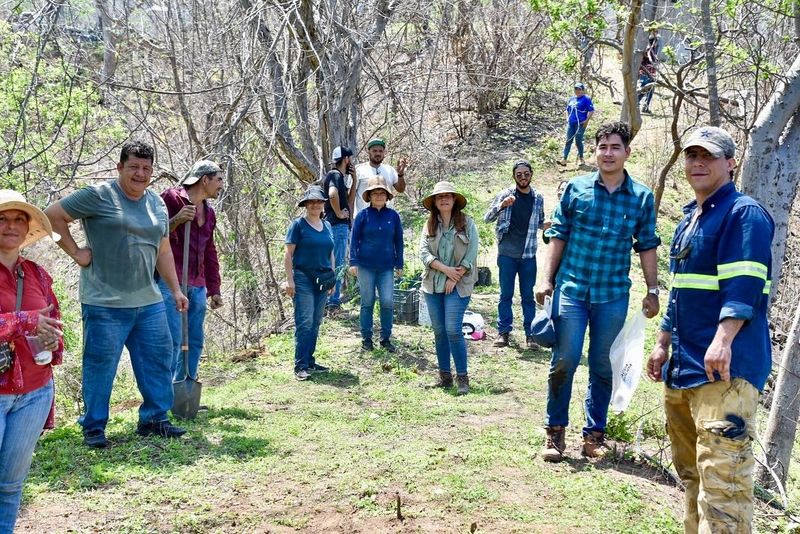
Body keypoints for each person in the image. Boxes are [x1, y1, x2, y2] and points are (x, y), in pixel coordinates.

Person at [646, 126, 774, 532]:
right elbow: (682, 293)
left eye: (709, 156)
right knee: (692, 479)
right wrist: (662, 342)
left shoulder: (743, 214)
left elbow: (745, 285)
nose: (698, 163)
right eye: (691, 155)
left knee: (725, 489)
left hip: (725, 373)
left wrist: (723, 341)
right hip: (682, 368)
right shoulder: (690, 220)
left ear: (730, 163)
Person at [45, 141, 189, 448]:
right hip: (105, 302)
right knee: (100, 366)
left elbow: (162, 249)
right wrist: (77, 253)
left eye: (146, 168)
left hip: (148, 301)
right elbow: (50, 217)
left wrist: (175, 289)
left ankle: (154, 419)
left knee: (158, 360)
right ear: (120, 167)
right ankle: (94, 427)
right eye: (134, 167)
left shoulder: (156, 203)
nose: (140, 173)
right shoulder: (98, 195)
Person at [536, 121, 661, 461]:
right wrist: (545, 279)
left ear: (627, 153)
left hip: (613, 295)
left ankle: (594, 435)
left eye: (615, 147)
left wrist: (653, 289)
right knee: (565, 359)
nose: (608, 153)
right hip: (572, 290)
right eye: (602, 147)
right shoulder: (576, 190)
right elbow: (558, 236)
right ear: (594, 151)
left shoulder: (641, 197)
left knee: (604, 364)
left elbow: (647, 244)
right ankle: (555, 432)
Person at [0, 190, 63, 533]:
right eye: (2, 219)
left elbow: (53, 319)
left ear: (27, 229)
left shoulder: (37, 274)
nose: (11, 226)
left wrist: (53, 343)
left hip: (35, 392)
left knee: (10, 484)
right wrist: (23, 321)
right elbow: (29, 319)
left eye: (18, 220)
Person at [158, 160, 225, 382]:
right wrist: (176, 220)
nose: (222, 185)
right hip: (171, 282)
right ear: (204, 179)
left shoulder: (210, 212)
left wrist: (214, 288)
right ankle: (164, 394)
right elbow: (153, 234)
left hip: (197, 284)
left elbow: (210, 251)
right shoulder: (171, 198)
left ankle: (187, 384)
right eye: (219, 179)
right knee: (173, 339)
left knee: (195, 339)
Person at [419, 181, 479, 395]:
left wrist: (456, 275)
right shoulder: (430, 224)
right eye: (439, 197)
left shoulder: (467, 223)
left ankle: (462, 377)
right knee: (439, 331)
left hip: (459, 284)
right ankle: (445, 376)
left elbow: (472, 253)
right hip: (433, 283)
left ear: (454, 200)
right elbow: (423, 253)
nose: (444, 199)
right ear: (435, 202)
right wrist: (445, 270)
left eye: (448, 196)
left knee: (453, 329)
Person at [483, 160, 545, 350]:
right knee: (505, 295)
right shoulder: (505, 194)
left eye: (526, 174)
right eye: (519, 174)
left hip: (528, 255)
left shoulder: (538, 198)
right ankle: (503, 333)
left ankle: (531, 335)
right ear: (514, 176)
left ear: (531, 174)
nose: (523, 177)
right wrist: (501, 205)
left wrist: (548, 225)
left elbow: (540, 221)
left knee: (528, 296)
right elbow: (487, 218)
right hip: (507, 254)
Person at [284, 185, 335, 381]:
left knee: (315, 322)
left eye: (319, 201)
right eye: (311, 202)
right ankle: (300, 365)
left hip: (322, 280)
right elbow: (288, 254)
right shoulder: (298, 225)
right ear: (305, 205)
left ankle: (310, 359)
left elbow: (331, 253)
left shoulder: (328, 226)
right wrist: (290, 280)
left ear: (323, 204)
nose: (315, 205)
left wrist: (332, 279)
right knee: (304, 322)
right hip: (303, 278)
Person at [348, 177, 404, 352]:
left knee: (387, 302)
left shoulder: (393, 216)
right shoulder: (362, 216)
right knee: (367, 302)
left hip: (386, 266)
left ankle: (386, 338)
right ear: (369, 196)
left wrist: (399, 263)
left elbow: (399, 241)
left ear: (387, 196)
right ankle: (366, 338)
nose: (378, 195)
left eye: (382, 192)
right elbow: (354, 240)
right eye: (375, 192)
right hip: (365, 266)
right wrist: (353, 262)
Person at [323, 146, 358, 310]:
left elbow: (350, 201)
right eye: (349, 158)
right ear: (346, 159)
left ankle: (330, 299)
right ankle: (332, 301)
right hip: (337, 226)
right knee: (336, 263)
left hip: (339, 226)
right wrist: (338, 212)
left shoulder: (339, 177)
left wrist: (354, 179)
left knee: (335, 261)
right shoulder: (335, 175)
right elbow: (331, 194)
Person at [352, 137, 407, 217]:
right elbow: (350, 196)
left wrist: (400, 175)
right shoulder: (359, 170)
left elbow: (401, 189)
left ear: (384, 152)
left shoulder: (390, 170)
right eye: (374, 151)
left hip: (387, 218)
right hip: (365, 219)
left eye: (380, 151)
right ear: (368, 152)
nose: (378, 153)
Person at [557, 83, 595, 167]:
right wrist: (567, 118)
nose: (577, 91)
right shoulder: (571, 99)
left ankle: (581, 158)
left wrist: (586, 121)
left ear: (582, 90)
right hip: (571, 124)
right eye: (576, 89)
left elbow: (591, 110)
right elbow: (567, 110)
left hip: (580, 124)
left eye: (579, 89)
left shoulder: (586, 99)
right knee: (568, 140)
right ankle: (564, 159)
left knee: (578, 141)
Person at [638, 30, 660, 114]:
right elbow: (647, 57)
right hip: (645, 71)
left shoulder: (653, 48)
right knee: (644, 88)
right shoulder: (647, 47)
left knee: (651, 89)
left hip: (651, 71)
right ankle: (636, 105)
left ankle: (645, 106)